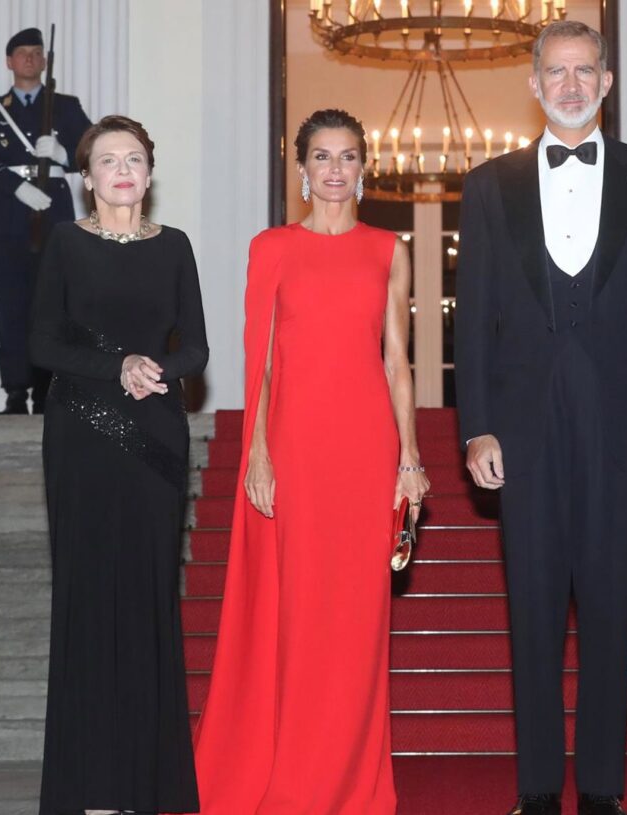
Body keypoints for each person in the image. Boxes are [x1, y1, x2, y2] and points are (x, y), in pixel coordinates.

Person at [455, 20, 627, 815]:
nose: (569, 85)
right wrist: (475, 424)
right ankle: (534, 789)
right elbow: (474, 316)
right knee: (529, 606)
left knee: (609, 605)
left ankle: (599, 788)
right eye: (555, 72)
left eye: (583, 71)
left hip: (625, 421)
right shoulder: (489, 184)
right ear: (532, 84)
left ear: (606, 81)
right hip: (520, 423)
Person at [191, 108, 428, 815]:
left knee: (357, 621)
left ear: (363, 168)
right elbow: (259, 361)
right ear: (301, 169)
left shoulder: (387, 248)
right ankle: (292, 774)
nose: (334, 169)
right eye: (321, 157)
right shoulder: (272, 248)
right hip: (292, 447)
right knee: (295, 616)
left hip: (365, 446)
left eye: (347, 157)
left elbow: (396, 359)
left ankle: (353, 784)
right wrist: (257, 452)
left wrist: (410, 457)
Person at [30, 115, 207, 815]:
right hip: (81, 431)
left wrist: (155, 367)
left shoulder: (175, 247)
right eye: (109, 160)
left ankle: (142, 785)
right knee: (87, 601)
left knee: (147, 601)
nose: (123, 170)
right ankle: (92, 788)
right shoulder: (66, 243)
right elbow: (42, 343)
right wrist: (116, 364)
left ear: (150, 173)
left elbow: (195, 348)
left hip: (155, 435)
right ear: (87, 177)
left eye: (135, 158)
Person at [0, 27, 92, 415]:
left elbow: (91, 153)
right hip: (8, 218)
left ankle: (46, 392)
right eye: (22, 53)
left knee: (50, 308)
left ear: (43, 61)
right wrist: (15, 188)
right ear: (10, 62)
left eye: (36, 53)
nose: (29, 59)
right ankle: (15, 393)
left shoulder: (65, 106)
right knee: (13, 306)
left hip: (53, 216)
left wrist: (62, 154)